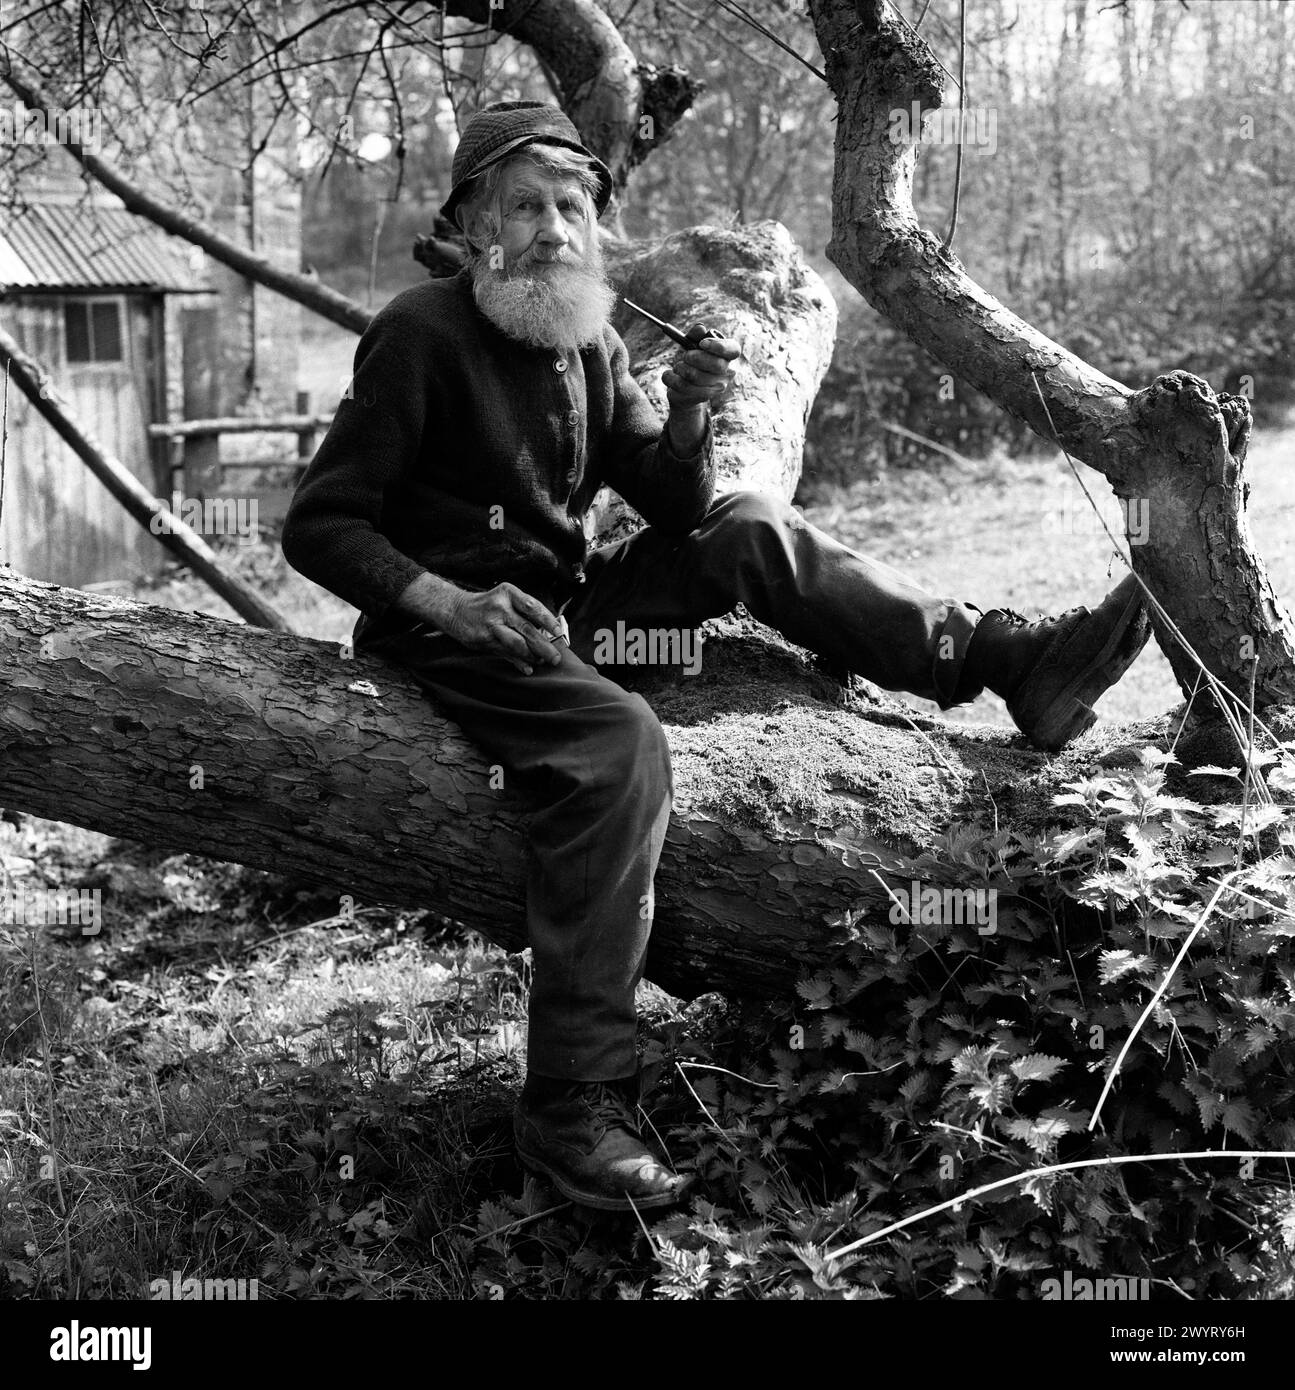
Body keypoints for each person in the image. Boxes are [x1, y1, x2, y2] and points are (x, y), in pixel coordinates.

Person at [281, 100, 1150, 1212]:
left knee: (742, 521)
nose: (554, 228)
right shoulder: (417, 332)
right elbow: (320, 525)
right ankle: (567, 1105)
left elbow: (675, 503)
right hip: (448, 628)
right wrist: (447, 602)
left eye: (573, 205)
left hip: (565, 606)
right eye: (525, 206)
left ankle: (999, 658)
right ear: (471, 226)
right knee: (618, 744)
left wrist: (686, 423)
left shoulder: (587, 333)